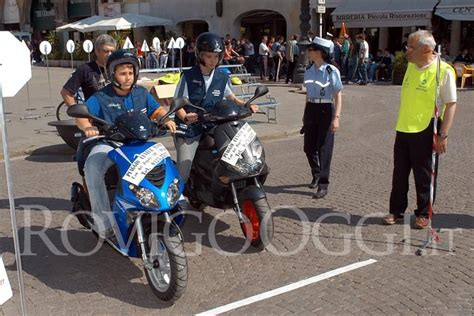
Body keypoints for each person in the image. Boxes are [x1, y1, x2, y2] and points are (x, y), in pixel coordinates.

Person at [76, 50, 176, 238]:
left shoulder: (141, 93)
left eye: (131, 72)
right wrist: (88, 128)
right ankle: (104, 223)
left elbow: (156, 110)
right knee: (93, 167)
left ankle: (172, 202)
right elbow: (83, 115)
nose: (128, 77)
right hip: (110, 144)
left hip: (139, 142)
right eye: (123, 73)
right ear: (112, 74)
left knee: (165, 160)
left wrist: (165, 119)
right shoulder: (101, 97)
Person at [383, 30, 457, 229]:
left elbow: (451, 104)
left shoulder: (443, 70)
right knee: (399, 174)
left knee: (424, 175)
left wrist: (443, 134)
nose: (407, 50)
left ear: (426, 49)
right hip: (404, 126)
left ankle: (424, 212)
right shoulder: (410, 66)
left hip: (427, 127)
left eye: (411, 47)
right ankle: (396, 210)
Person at [173, 32, 259, 183]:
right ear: (200, 55)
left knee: (234, 149)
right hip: (190, 128)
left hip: (213, 124)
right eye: (209, 56)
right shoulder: (187, 76)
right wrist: (185, 117)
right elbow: (177, 103)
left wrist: (246, 105)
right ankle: (177, 197)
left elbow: (231, 97)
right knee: (183, 168)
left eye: (216, 56)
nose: (213, 60)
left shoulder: (222, 76)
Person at [302, 37, 343, 199]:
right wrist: (304, 115)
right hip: (311, 109)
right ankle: (316, 173)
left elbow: (338, 96)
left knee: (324, 149)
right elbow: (307, 95)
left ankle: (323, 184)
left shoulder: (331, 71)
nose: (308, 52)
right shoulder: (308, 70)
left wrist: (336, 117)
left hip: (326, 110)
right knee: (308, 147)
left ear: (319, 52)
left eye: (311, 49)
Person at [61, 34, 117, 105]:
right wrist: (77, 112)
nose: (109, 54)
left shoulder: (118, 68)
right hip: (93, 114)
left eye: (112, 51)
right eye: (106, 51)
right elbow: (66, 92)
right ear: (97, 51)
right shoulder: (85, 69)